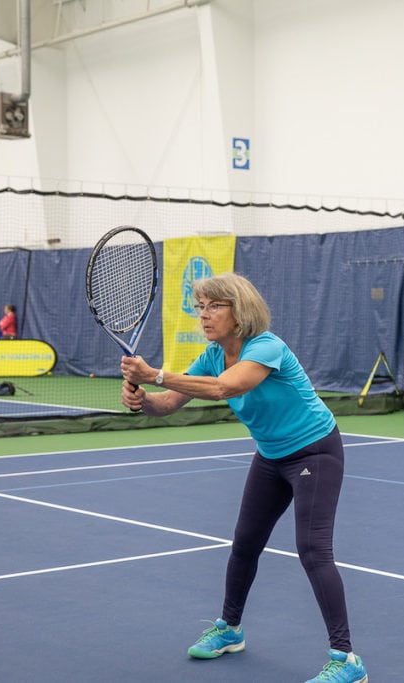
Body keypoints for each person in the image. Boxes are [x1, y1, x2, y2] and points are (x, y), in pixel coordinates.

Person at [120, 272, 368, 683]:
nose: (204, 314)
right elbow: (166, 405)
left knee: (312, 550)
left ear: (241, 312)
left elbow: (222, 390)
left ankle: (347, 661)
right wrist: (142, 399)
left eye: (215, 306)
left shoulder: (266, 347)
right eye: (200, 306)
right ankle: (230, 630)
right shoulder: (212, 355)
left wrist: (155, 375)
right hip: (271, 457)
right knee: (245, 543)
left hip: (315, 451)